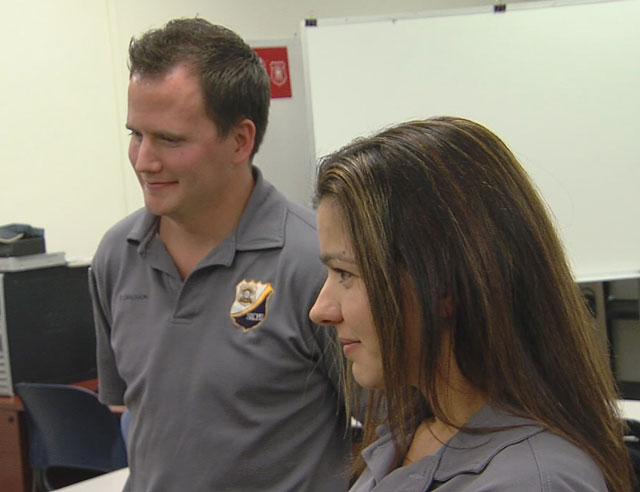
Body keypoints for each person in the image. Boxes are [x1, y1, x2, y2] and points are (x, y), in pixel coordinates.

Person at [90, 18, 350, 491]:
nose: (144, 161)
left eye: (169, 139)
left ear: (240, 140)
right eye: (136, 134)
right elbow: (131, 410)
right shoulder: (116, 255)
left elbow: (391, 430)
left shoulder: (318, 262)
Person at [309, 116, 634, 491]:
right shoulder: (419, 431)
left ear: (445, 284)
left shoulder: (532, 481)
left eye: (345, 273)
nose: (321, 309)